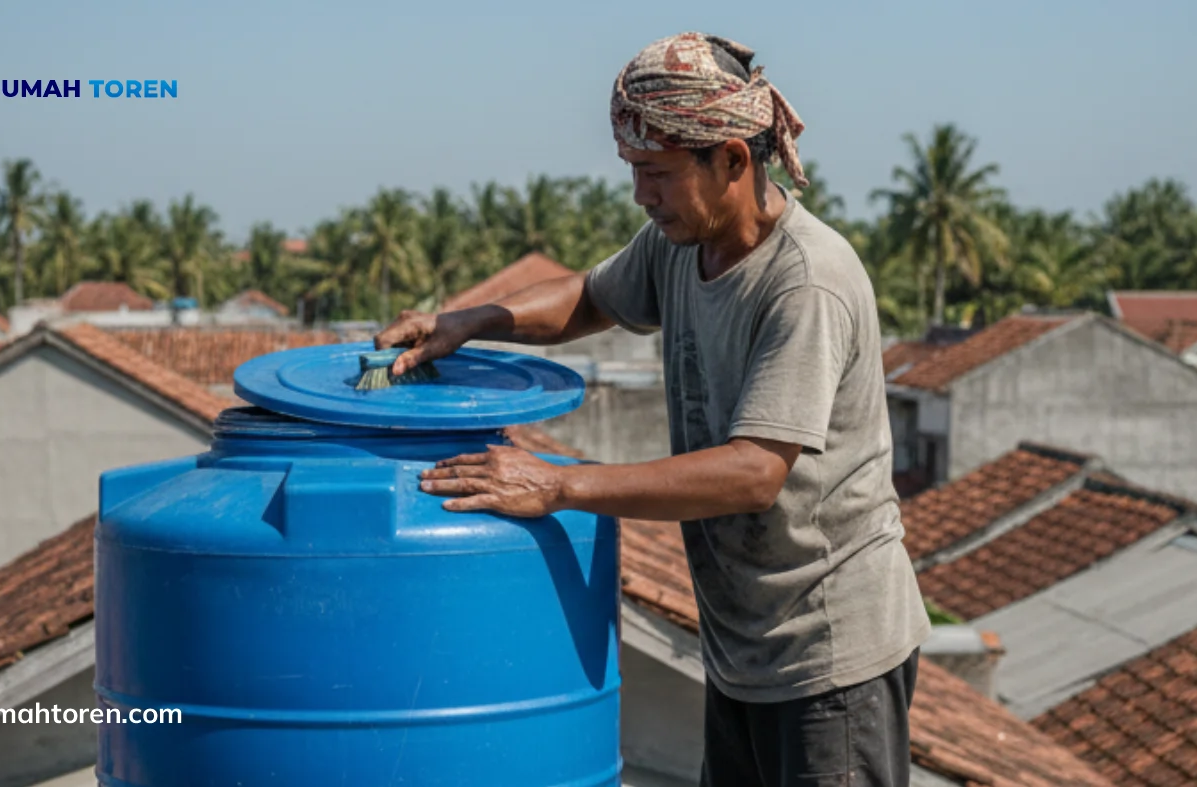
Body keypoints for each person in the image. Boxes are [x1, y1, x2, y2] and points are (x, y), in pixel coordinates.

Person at [374, 31, 930, 787]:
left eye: (656, 173)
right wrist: (469, 321)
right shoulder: (682, 241)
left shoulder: (805, 282)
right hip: (742, 646)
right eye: (635, 171)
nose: (642, 194)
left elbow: (754, 472)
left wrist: (559, 484)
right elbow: (589, 297)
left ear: (732, 159)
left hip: (828, 655)